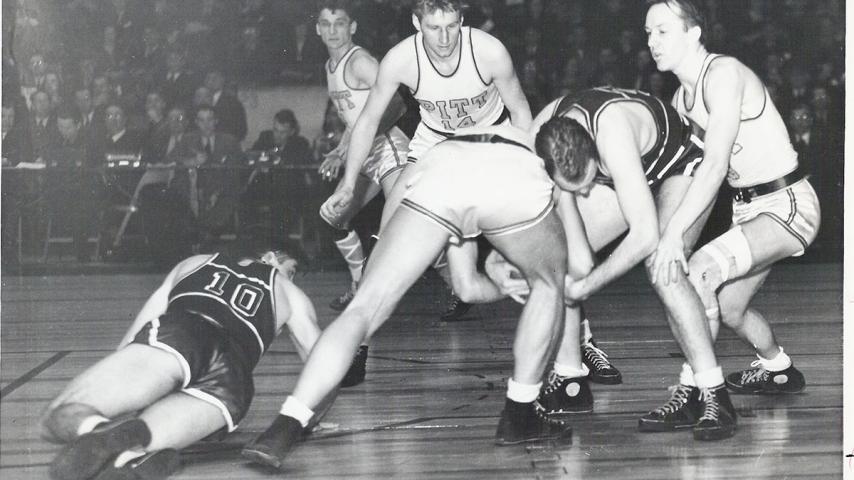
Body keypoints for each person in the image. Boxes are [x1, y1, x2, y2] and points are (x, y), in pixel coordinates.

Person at [243, 124, 573, 470]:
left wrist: (499, 284)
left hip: (437, 169)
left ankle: (286, 423)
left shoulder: (483, 138)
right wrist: (516, 281)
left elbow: (466, 287)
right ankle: (521, 412)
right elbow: (492, 278)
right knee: (551, 286)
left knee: (363, 309)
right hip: (508, 175)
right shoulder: (533, 162)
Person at [484, 87, 720, 430]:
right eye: (574, 188)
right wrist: (495, 257)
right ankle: (570, 380)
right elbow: (523, 215)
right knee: (557, 258)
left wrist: (587, 287)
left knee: (662, 265)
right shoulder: (537, 141)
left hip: (680, 160)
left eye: (586, 181)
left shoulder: (612, 135)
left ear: (593, 151)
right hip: (623, 171)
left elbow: (645, 236)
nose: (584, 192)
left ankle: (711, 390)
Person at [644, 0, 819, 404]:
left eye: (663, 31)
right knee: (728, 307)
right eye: (648, 33)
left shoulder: (723, 73)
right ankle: (778, 368)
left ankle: (696, 389)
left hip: (787, 203)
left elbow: (715, 166)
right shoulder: (680, 102)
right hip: (748, 210)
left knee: (700, 273)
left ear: (693, 33)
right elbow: (689, 180)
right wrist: (674, 237)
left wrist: (673, 235)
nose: (652, 42)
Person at [321, 0, 532, 321]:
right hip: (434, 141)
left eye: (452, 26)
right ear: (417, 24)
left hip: (489, 139)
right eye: (434, 28)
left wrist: (523, 166)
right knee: (388, 234)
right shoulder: (401, 59)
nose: (444, 39)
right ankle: (361, 330)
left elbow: (520, 111)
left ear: (462, 20)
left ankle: (555, 302)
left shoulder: (489, 51)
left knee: (517, 247)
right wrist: (349, 184)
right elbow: (366, 121)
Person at [41, 250, 333, 479]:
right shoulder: (291, 294)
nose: (292, 278)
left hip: (181, 337)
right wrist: (307, 420)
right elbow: (325, 363)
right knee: (138, 441)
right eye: (291, 270)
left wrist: (124, 383)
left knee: (59, 415)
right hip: (234, 383)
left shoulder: (196, 262)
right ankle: (131, 458)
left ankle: (100, 429)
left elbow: (137, 332)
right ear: (270, 256)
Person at [314, 1, 410, 315]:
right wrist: (342, 149)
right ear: (317, 29)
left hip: (389, 148)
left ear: (352, 27)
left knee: (403, 226)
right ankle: (359, 286)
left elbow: (397, 104)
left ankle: (459, 285)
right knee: (333, 217)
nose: (333, 30)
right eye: (326, 24)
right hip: (364, 155)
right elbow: (355, 119)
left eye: (340, 23)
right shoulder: (330, 67)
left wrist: (362, 140)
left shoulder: (361, 62)